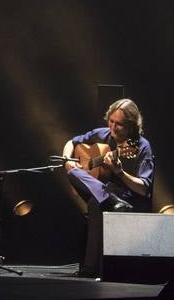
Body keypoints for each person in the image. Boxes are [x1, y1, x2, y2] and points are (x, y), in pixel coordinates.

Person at [61, 98, 155, 279]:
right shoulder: (103, 134)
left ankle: (90, 268)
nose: (112, 128)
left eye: (119, 124)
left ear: (131, 126)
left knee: (97, 203)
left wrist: (119, 173)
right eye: (111, 121)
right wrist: (67, 159)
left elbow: (144, 189)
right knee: (73, 172)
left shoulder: (142, 146)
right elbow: (72, 142)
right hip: (108, 193)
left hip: (129, 198)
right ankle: (111, 201)